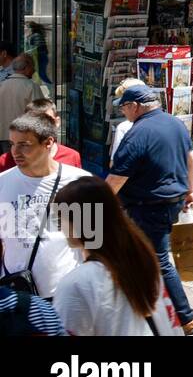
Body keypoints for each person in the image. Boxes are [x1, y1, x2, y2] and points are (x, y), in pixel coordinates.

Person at [105, 84, 193, 334]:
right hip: (170, 201)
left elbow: (116, 177)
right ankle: (146, 306)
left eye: (124, 107)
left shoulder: (138, 133)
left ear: (134, 106)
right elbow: (192, 160)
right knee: (141, 257)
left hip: (149, 207)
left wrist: (99, 204)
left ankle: (184, 316)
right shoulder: (175, 123)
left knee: (159, 262)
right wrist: (189, 190)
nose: (123, 112)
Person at [51, 176, 182, 336]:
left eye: (61, 218)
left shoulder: (77, 283)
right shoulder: (143, 259)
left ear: (79, 222)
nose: (59, 225)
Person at [0, 113, 89, 300]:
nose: (15, 152)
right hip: (14, 292)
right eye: (12, 144)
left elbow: (94, 243)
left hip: (64, 292)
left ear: (48, 143)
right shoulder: (2, 182)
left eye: (24, 145)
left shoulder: (80, 182)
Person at [0, 99, 81, 172]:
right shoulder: (6, 161)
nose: (41, 126)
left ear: (57, 121)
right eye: (35, 122)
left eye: (48, 120)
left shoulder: (72, 156)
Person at [0, 54, 43, 153]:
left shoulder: (2, 85)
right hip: (22, 136)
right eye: (33, 66)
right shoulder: (31, 86)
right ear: (27, 68)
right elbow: (39, 113)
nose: (34, 70)